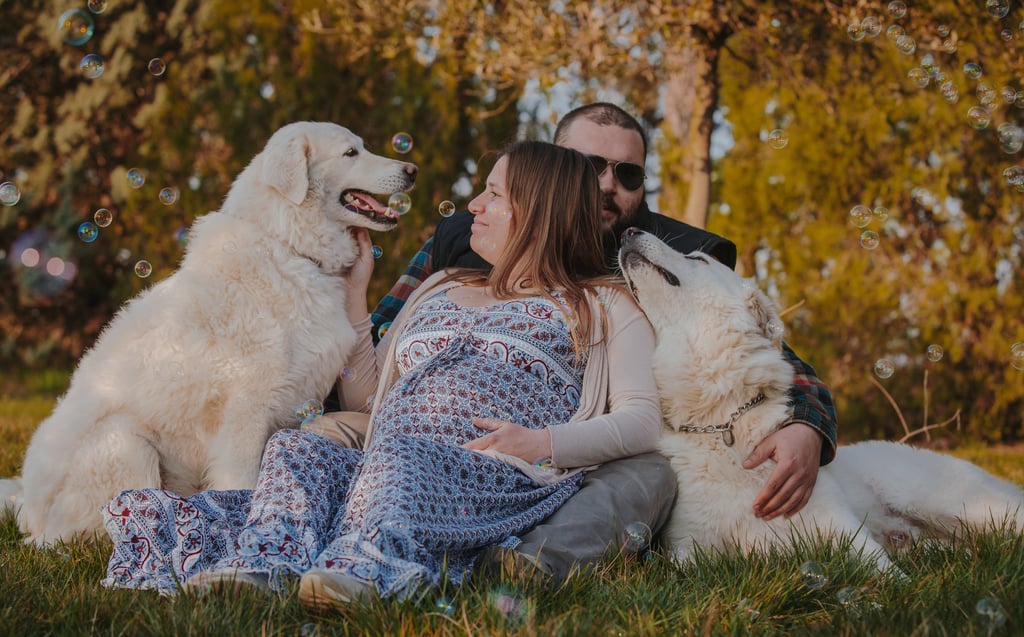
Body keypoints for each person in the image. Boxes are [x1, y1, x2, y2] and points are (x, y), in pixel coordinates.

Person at [100, 141, 662, 608]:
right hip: (384, 465)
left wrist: (543, 443)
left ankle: (371, 569)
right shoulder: (443, 285)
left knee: (402, 455)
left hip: (492, 475)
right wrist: (355, 297)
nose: (475, 205)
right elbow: (370, 398)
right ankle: (263, 566)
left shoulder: (601, 303)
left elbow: (642, 419)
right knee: (298, 450)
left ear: (539, 209)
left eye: (493, 193)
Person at [369, 103, 838, 585]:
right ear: (546, 167)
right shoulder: (465, 235)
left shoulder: (665, 253)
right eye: (591, 166)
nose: (608, 184)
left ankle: (527, 566)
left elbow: (758, 351)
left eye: (628, 173)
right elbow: (377, 337)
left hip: (588, 454)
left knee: (652, 472)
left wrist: (806, 423)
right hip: (440, 437)